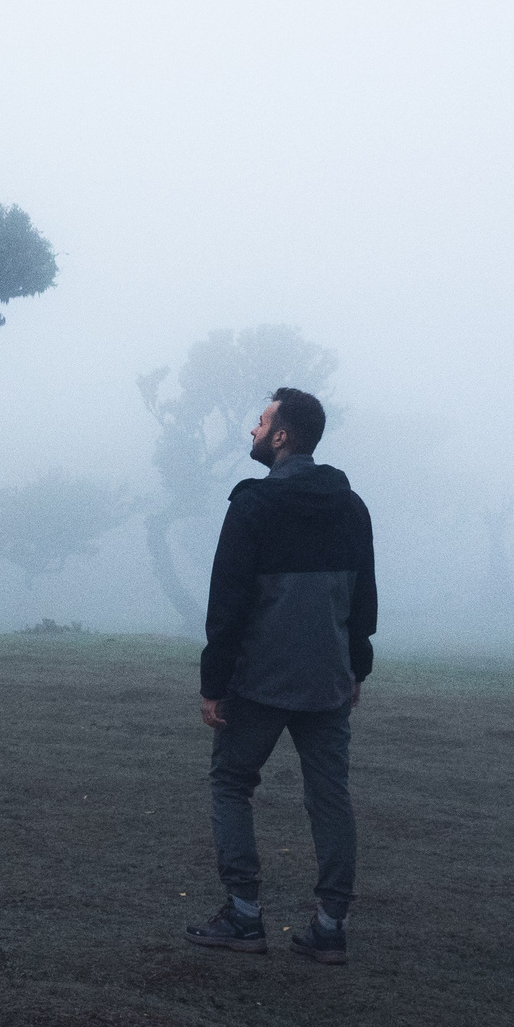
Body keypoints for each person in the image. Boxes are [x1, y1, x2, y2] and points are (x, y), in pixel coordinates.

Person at [183, 386, 376, 965]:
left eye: (261, 421)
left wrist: (214, 684)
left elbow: (228, 602)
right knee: (330, 797)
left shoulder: (253, 506)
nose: (254, 430)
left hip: (259, 682)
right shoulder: (351, 506)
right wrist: (356, 667)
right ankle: (330, 927)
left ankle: (244, 916)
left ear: (282, 436)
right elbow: (362, 599)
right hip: (328, 681)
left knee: (231, 783)